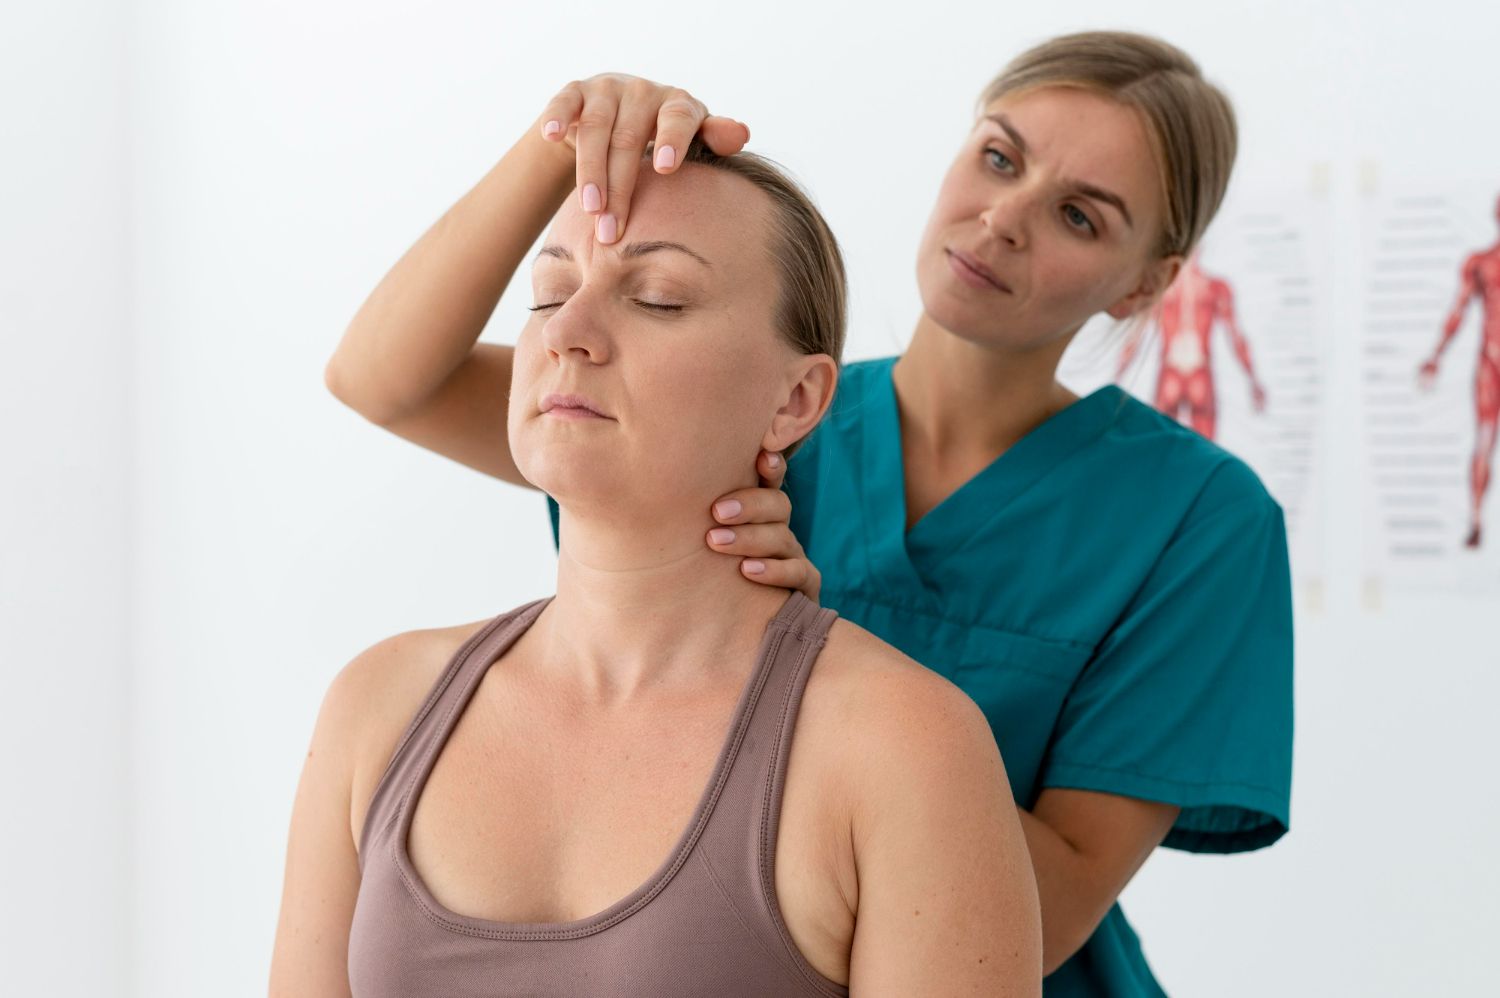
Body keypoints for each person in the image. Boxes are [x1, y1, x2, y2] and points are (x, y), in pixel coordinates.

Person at [322, 30, 1294, 996]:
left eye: (1079, 215)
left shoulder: (1198, 521)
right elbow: (385, 380)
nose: (1003, 218)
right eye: (999, 157)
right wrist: (568, 142)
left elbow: (1063, 895)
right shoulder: (721, 413)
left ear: (1144, 282)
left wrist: (805, 672)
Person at [273, 140, 1043, 995]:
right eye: (549, 292)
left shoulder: (902, 746)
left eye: (658, 299)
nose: (566, 332)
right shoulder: (379, 705)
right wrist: (555, 136)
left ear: (795, 401)